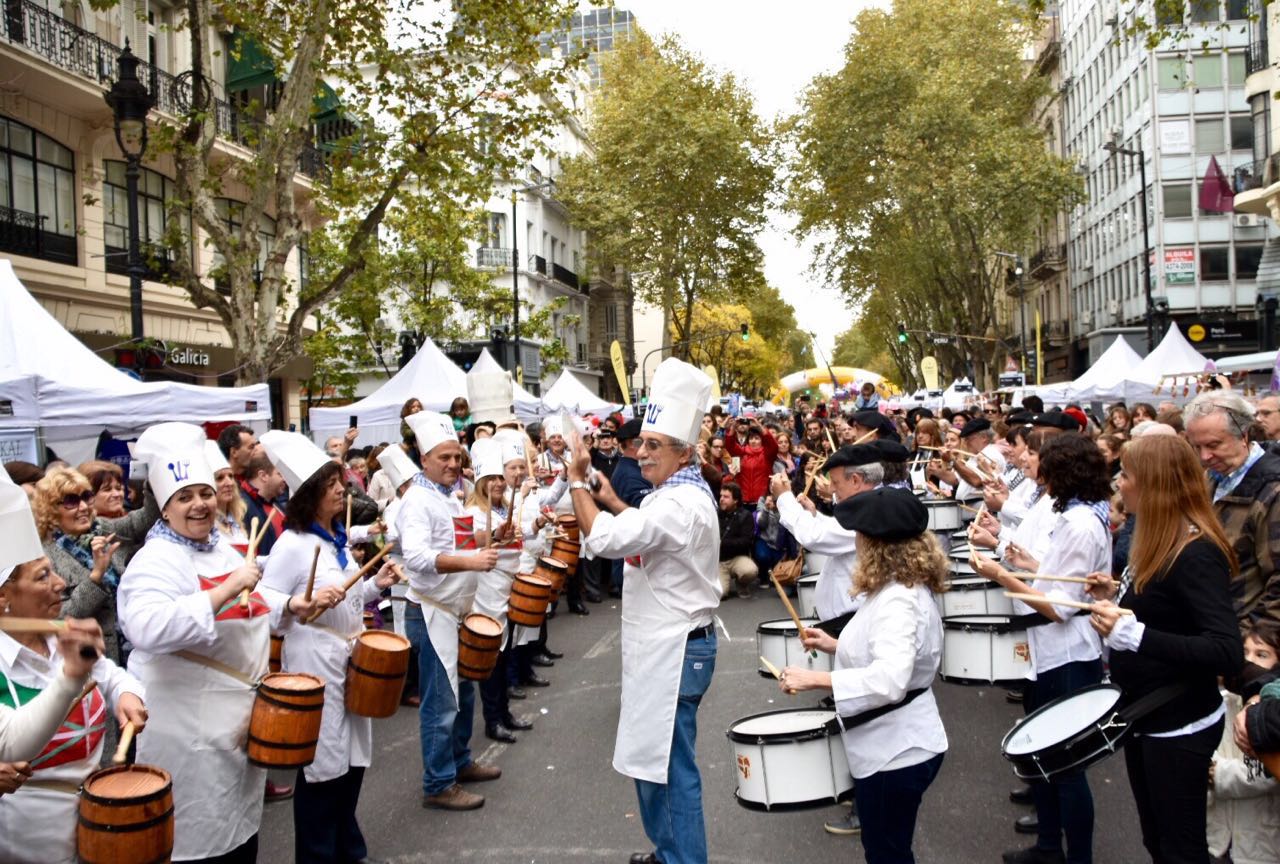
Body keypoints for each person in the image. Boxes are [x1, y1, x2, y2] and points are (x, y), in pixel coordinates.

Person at [118, 423, 322, 862]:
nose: (199, 505)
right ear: (165, 509)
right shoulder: (154, 561)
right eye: (185, 498)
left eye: (205, 493)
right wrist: (226, 588)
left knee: (240, 833)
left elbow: (253, 599)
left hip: (236, 726)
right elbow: (145, 628)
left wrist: (290, 606)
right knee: (200, 842)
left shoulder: (221, 548)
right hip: (190, 732)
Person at [568, 358, 720, 864]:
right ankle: (668, 851)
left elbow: (610, 540)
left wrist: (575, 484)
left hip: (674, 652)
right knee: (657, 764)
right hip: (669, 649)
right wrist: (609, 495)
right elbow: (642, 527)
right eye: (641, 443)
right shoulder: (675, 494)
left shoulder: (675, 505)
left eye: (655, 445)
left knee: (672, 771)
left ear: (685, 452)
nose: (641, 452)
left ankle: (682, 859)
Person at [1084, 434, 1243, 864]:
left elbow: (1226, 651)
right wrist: (1118, 594)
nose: (1119, 483)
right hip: (1147, 719)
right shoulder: (1158, 540)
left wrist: (1136, 636)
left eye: (1127, 474)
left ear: (1152, 485)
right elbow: (1167, 607)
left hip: (1180, 726)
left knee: (1180, 849)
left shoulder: (1195, 553)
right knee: (1157, 841)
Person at [780, 487, 947, 864]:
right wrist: (835, 646)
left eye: (858, 535)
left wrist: (816, 680)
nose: (853, 542)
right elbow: (896, 656)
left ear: (875, 543)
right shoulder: (896, 588)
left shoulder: (899, 600)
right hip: (892, 745)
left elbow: (890, 680)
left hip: (897, 751)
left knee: (887, 854)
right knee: (886, 849)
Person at [970, 433, 1112, 864]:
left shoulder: (1081, 524)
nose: (1041, 479)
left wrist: (1000, 574)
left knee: (1066, 769)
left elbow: (1057, 608)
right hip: (1051, 652)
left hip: (1068, 654)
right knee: (1045, 757)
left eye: (1046, 469)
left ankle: (1075, 857)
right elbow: (1057, 578)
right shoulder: (1074, 517)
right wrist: (1027, 564)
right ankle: (1049, 846)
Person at [259, 431, 400, 864]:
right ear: (307, 496)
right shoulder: (292, 545)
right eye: (330, 485)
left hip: (349, 658)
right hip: (315, 661)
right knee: (323, 769)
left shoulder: (335, 542)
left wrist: (376, 585)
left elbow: (347, 600)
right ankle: (320, 855)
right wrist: (295, 604)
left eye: (340, 481)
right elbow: (261, 604)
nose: (343, 489)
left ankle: (347, 850)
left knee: (352, 762)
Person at [396, 410, 503, 812]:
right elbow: (419, 558)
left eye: (457, 457)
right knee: (440, 703)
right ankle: (438, 782)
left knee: (464, 696)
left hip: (455, 610)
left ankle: (459, 762)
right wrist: (473, 561)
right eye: (444, 458)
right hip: (431, 611)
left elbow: (457, 540)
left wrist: (488, 540)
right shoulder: (417, 501)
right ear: (424, 460)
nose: (454, 464)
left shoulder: (449, 496)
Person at [34, 466, 159, 663]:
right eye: (71, 501)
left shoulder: (101, 528)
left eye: (86, 497)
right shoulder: (45, 557)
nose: (83, 506)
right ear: (50, 509)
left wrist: (154, 476)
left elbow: (146, 519)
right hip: (93, 662)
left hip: (137, 650)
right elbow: (60, 619)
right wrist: (96, 576)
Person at [1183, 390, 1280, 631]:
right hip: (1212, 634)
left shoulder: (1273, 492)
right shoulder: (1212, 478)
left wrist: (1255, 643)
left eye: (1214, 445)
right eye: (1197, 447)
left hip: (1242, 641)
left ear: (1244, 435)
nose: (1205, 456)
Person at [464, 437, 533, 744]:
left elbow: (516, 539)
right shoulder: (474, 511)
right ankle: (493, 720)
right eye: (489, 478)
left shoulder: (507, 507)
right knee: (493, 653)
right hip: (487, 589)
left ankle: (504, 713)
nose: (497, 483)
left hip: (509, 583)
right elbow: (471, 537)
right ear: (479, 481)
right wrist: (494, 535)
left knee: (504, 654)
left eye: (498, 478)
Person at [1206, 622, 1280, 864]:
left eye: (1261, 655)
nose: (1249, 662)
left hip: (1261, 844)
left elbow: (1267, 773)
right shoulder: (1220, 704)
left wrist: (1217, 774)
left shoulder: (1272, 713)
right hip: (1217, 837)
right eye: (1244, 653)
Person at [238, 452, 289, 555]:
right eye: (280, 474)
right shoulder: (242, 507)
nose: (285, 480)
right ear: (263, 476)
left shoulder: (276, 504)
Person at [722, 421, 778, 509]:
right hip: (743, 501)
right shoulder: (741, 452)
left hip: (761, 501)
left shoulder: (767, 455)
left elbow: (773, 445)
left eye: (757, 438)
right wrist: (733, 428)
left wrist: (759, 424)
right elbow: (729, 445)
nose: (753, 441)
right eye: (751, 438)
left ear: (762, 441)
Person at [717, 483, 758, 599]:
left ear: (735, 500)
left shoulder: (745, 516)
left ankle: (742, 584)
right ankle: (722, 581)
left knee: (750, 571)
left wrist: (723, 543)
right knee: (720, 594)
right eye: (721, 496)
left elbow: (746, 541)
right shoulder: (715, 513)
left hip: (737, 558)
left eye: (726, 497)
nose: (721, 499)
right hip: (718, 561)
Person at [206, 440, 248, 544]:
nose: (229, 483)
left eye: (230, 476)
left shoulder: (236, 520)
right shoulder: (206, 527)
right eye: (220, 478)